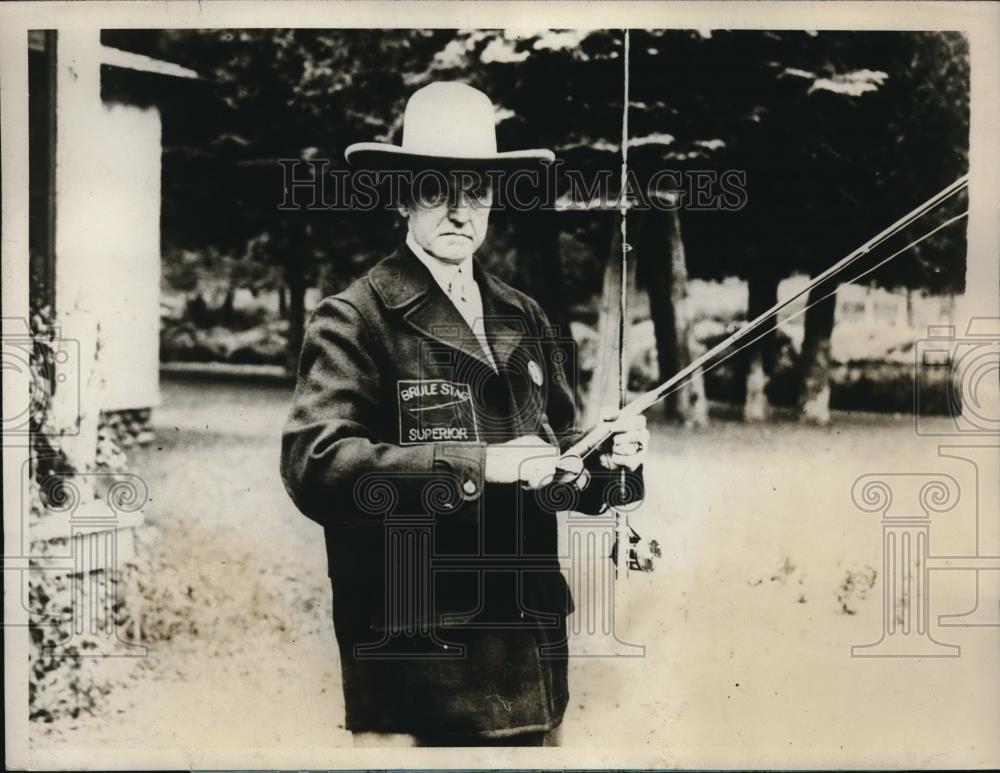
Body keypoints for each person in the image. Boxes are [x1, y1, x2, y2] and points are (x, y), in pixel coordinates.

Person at [280, 81, 649, 747]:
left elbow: (561, 459)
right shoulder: (355, 318)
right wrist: (484, 463)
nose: (458, 210)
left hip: (530, 664)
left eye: (476, 189)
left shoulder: (524, 314)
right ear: (400, 196)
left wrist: (610, 463)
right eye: (434, 189)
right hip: (418, 669)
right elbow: (318, 466)